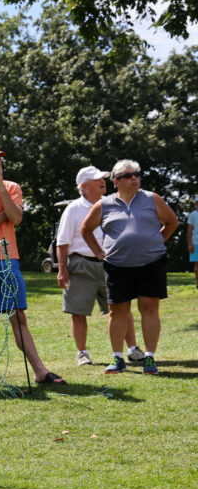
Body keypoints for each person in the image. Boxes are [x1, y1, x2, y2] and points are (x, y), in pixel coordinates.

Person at [0, 144, 63, 390]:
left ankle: (39, 370)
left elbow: (16, 219)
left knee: (18, 315)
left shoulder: (12, 188)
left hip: (8, 258)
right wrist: (4, 215)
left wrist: (0, 190)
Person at [81, 159, 178, 375]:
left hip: (152, 263)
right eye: (128, 175)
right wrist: (98, 252)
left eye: (136, 173)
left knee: (149, 308)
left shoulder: (152, 199)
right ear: (116, 181)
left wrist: (157, 241)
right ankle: (117, 359)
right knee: (117, 311)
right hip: (117, 265)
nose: (134, 177)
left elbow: (172, 222)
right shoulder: (104, 205)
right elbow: (86, 229)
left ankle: (150, 359)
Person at [56, 166, 145, 366]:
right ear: (84, 186)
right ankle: (82, 353)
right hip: (81, 265)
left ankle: (132, 349)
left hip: (112, 265)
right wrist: (62, 270)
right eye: (97, 179)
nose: (103, 181)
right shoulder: (74, 209)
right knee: (78, 312)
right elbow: (62, 243)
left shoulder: (114, 204)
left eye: (103, 178)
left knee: (122, 308)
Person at [187, 198, 198, 289]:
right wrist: (190, 244)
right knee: (197, 265)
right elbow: (189, 230)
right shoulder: (193, 215)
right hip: (196, 243)